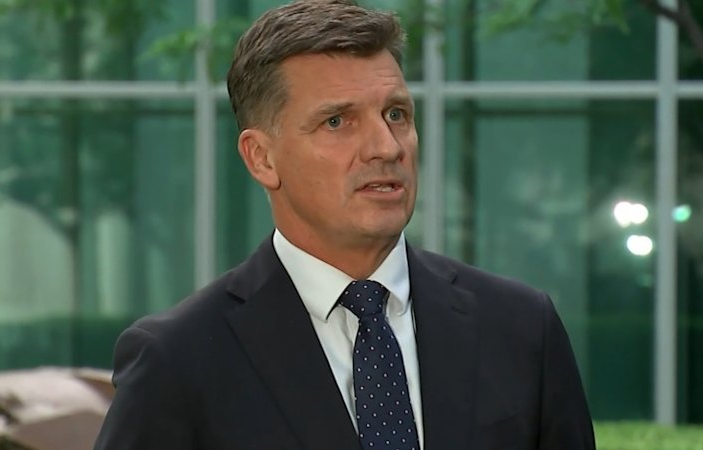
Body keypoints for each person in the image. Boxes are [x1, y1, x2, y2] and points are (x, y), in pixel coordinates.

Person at [93, 1, 596, 449]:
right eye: (337, 121)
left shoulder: (522, 329)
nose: (386, 147)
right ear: (261, 158)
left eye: (396, 114)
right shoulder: (178, 360)